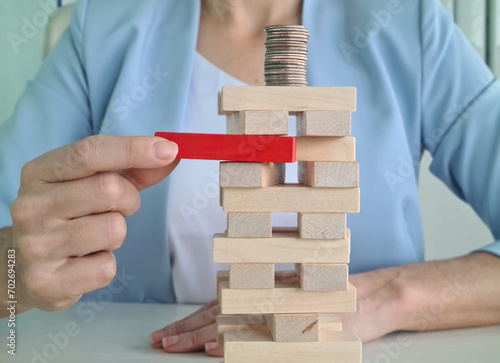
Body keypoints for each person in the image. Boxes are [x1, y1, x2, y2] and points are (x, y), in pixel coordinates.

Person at [1, 0, 499, 358]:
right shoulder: (101, 26)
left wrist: (391, 297)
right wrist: (15, 275)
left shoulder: (408, 21)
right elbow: (9, 248)